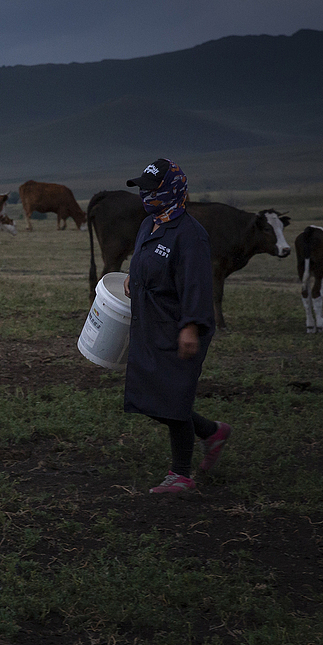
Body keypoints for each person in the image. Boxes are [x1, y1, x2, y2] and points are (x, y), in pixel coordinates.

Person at [122, 158, 231, 493]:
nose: (145, 195)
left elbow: (197, 284)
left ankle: (180, 475)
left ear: (171, 190)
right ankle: (212, 433)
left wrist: (191, 326)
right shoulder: (149, 224)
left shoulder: (191, 235)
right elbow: (145, 262)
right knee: (149, 393)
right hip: (149, 322)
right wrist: (133, 278)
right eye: (143, 189)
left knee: (171, 395)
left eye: (151, 189)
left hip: (176, 325)